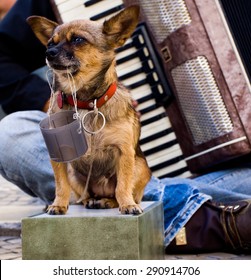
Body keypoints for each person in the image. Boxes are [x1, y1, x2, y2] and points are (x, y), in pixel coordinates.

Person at [0, 0, 251, 255]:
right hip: (91, 173)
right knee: (10, 134)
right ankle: (203, 218)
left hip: (221, 172)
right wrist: (61, 105)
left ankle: (159, 208)